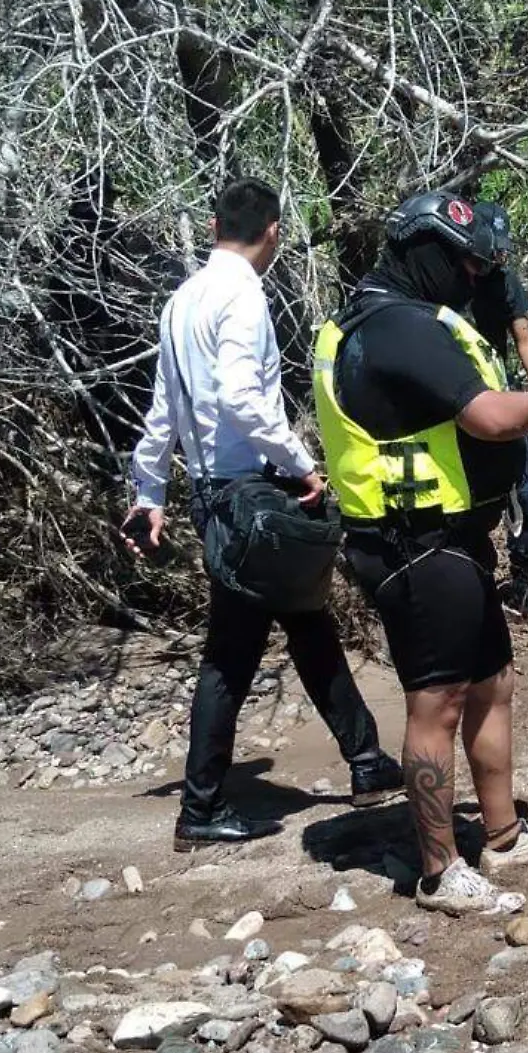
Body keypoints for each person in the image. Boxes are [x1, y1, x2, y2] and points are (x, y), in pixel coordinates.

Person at [313, 191, 528, 915]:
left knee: (492, 681)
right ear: (427, 253)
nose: (475, 278)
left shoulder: (397, 317)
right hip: (414, 541)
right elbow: (490, 416)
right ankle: (440, 872)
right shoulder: (397, 326)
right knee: (435, 703)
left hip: (451, 535)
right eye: (467, 264)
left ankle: (501, 834)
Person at [122, 177, 404, 853]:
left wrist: (149, 493)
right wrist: (304, 464)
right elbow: (244, 399)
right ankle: (202, 804)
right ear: (273, 230)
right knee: (232, 654)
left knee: (307, 620)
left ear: (217, 222)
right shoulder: (244, 295)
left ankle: (366, 760)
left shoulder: (181, 300)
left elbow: (165, 412)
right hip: (252, 492)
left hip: (216, 496)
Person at [470, 202, 528, 626]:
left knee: (522, 494)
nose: (499, 258)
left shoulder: (504, 280)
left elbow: (524, 336)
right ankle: (472, 587)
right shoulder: (450, 281)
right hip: (457, 404)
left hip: (501, 399)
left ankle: (524, 586)